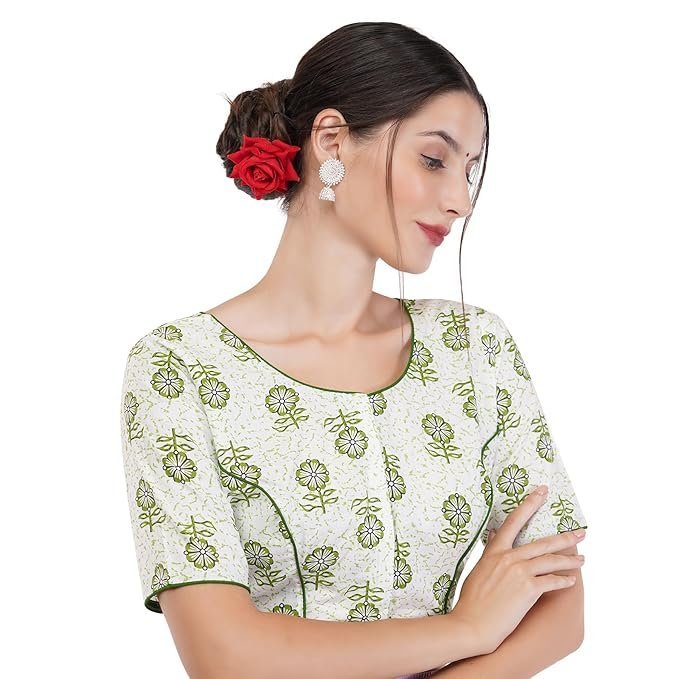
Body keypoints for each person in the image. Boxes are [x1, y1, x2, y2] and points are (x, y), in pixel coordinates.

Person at [119, 20, 589, 679]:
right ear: (332, 140)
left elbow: (560, 607)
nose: (459, 200)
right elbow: (223, 656)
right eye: (434, 160)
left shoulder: (475, 347)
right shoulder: (179, 367)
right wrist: (466, 628)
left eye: (470, 170)